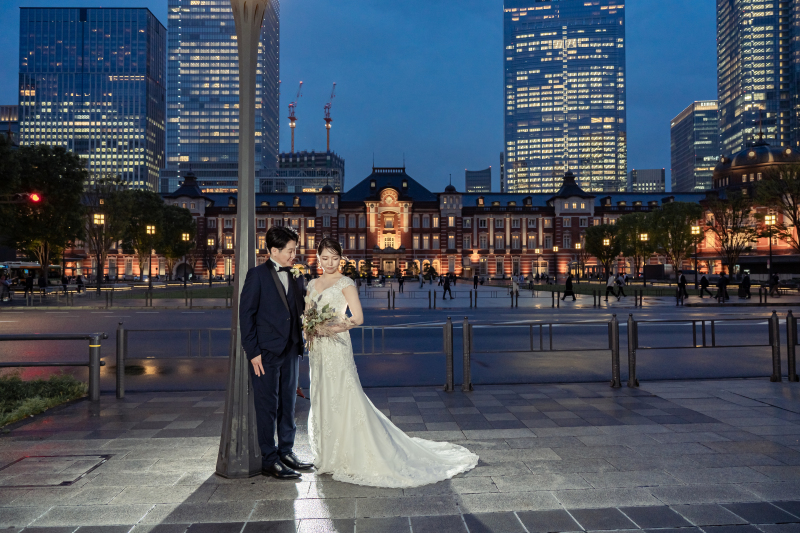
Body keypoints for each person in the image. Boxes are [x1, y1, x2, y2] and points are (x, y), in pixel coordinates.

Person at [307, 238, 477, 486]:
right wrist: (310, 329)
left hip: (336, 346)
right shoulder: (312, 283)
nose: (330, 263)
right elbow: (307, 314)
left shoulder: (346, 282)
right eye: (325, 258)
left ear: (341, 258)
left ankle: (348, 450)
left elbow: (358, 318)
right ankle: (328, 452)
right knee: (322, 393)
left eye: (334, 258)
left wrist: (332, 327)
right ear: (318, 257)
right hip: (317, 349)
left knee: (343, 393)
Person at [239, 226, 311, 480]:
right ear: (273, 251)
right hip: (265, 353)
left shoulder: (296, 274)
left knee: (288, 404)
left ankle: (287, 451)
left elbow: (301, 308)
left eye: (295, 250)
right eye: (290, 251)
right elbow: (246, 315)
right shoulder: (256, 275)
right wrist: (253, 352)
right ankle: (269, 459)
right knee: (268, 406)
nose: (295, 255)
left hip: (291, 349)